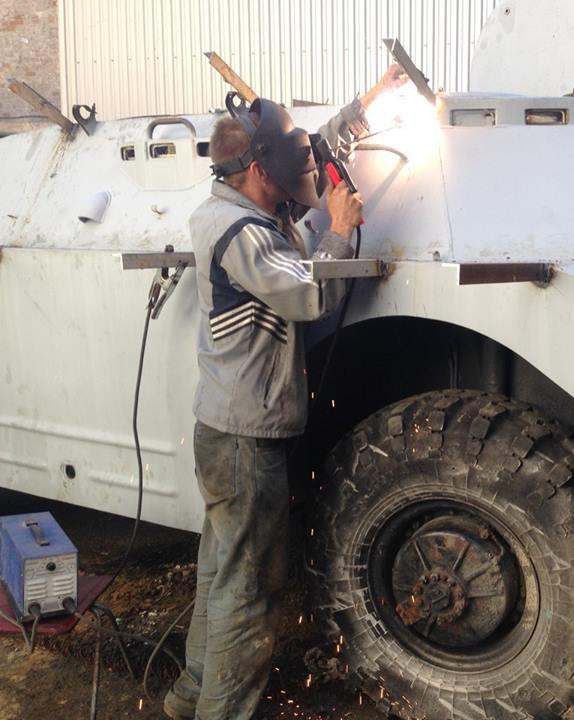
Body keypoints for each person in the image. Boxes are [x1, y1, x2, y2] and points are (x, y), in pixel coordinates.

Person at [163, 66, 404, 720]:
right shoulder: (242, 233)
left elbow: (311, 153)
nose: (298, 179)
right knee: (249, 588)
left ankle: (191, 696)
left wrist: (369, 100)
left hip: (228, 429)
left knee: (222, 570)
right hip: (245, 440)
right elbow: (309, 296)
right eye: (284, 168)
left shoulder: (250, 205)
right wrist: (340, 229)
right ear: (257, 170)